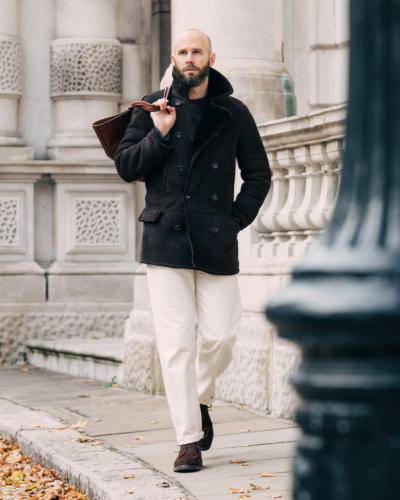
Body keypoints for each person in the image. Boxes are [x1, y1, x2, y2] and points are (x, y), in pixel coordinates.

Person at [114, 29, 271, 473]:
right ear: (173, 58)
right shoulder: (152, 107)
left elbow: (258, 174)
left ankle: (199, 398)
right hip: (165, 237)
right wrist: (159, 135)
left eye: (196, 51)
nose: (188, 58)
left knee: (222, 335)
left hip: (216, 239)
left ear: (210, 57)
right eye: (181, 51)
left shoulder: (233, 112)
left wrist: (235, 220)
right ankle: (187, 441)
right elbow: (127, 166)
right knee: (177, 344)